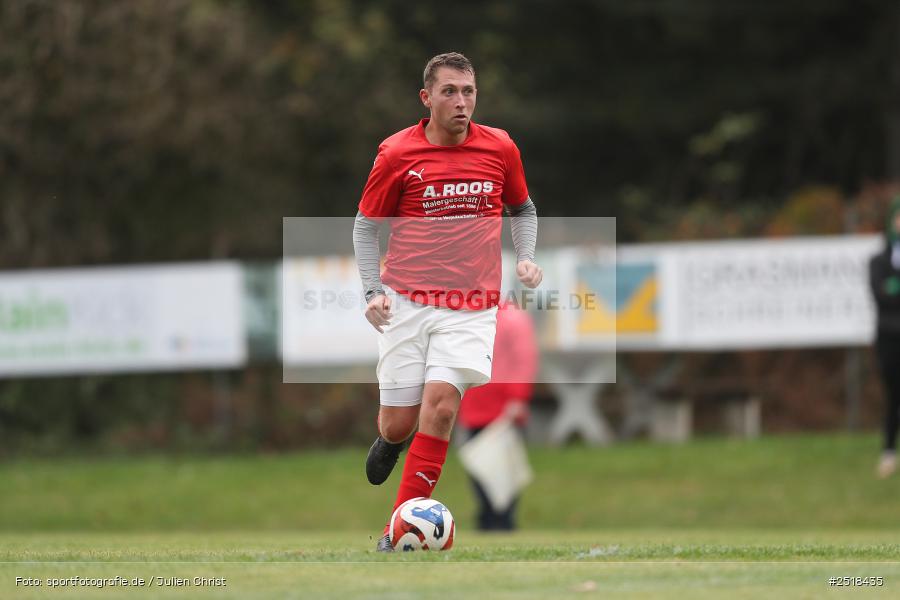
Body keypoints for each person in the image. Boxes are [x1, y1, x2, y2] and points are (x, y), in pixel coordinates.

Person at [352, 52, 542, 551]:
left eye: (469, 92)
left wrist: (525, 256)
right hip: (407, 302)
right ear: (426, 98)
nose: (461, 102)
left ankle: (399, 531)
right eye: (450, 92)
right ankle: (393, 440)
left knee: (439, 409)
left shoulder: (499, 147)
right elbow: (366, 227)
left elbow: (522, 208)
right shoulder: (396, 154)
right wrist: (372, 292)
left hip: (472, 304)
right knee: (400, 421)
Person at [458, 300, 538, 530]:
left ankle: (502, 521)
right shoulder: (467, 316)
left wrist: (517, 397)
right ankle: (487, 518)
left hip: (503, 409)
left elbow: (524, 360)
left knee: (503, 470)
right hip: (475, 406)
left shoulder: (513, 318)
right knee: (479, 467)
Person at [870, 197, 900, 479]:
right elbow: (882, 295)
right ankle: (889, 452)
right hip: (889, 339)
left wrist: (894, 287)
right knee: (893, 396)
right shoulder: (878, 261)